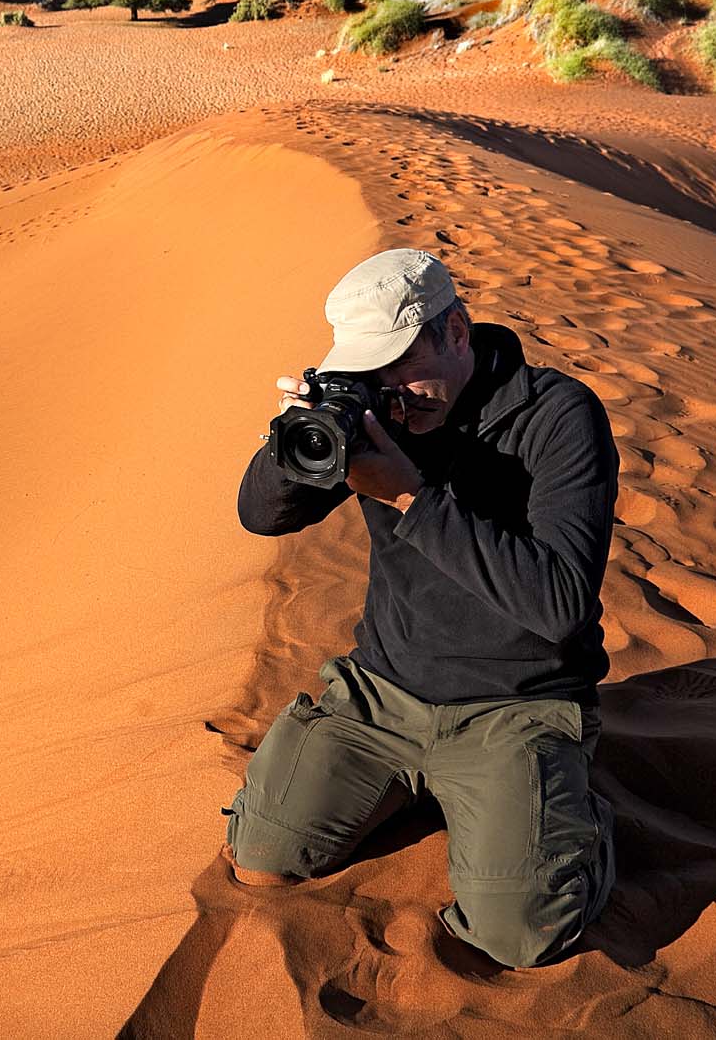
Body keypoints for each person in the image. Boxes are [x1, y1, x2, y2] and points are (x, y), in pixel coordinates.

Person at [222, 247, 620, 968]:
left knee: (520, 933)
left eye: (405, 363)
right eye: (375, 373)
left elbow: (560, 602)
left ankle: (577, 816)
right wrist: (291, 444)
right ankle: (439, 794)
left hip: (516, 704)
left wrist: (409, 494)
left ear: (458, 332)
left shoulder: (559, 417)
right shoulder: (378, 413)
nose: (398, 392)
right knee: (262, 855)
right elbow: (260, 517)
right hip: (384, 694)